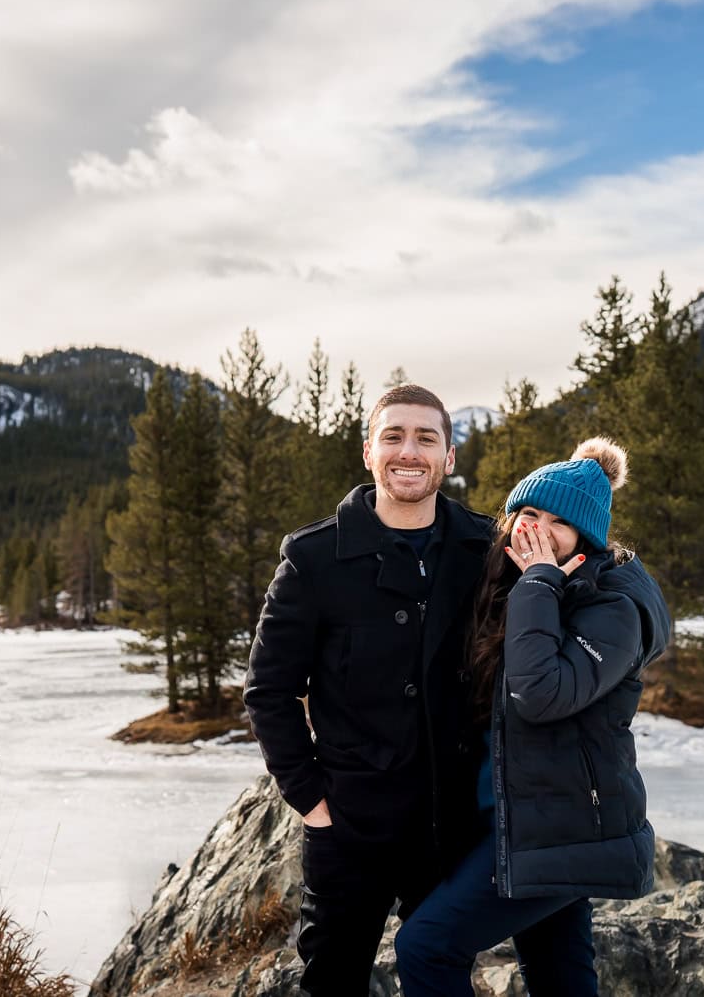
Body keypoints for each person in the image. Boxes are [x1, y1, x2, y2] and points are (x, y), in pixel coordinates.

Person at [393, 437, 672, 996]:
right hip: (514, 821)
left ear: (584, 540)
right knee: (559, 977)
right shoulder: (507, 584)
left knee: (425, 946)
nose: (537, 530)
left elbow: (541, 694)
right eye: (527, 514)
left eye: (557, 522)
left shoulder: (611, 608)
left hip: (563, 827)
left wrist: (541, 579)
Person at [243, 383, 495, 995]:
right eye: (394, 436)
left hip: (450, 821)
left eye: (425, 438)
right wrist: (311, 801)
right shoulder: (314, 558)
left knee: (440, 971)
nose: (409, 451)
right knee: (332, 980)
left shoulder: (486, 548)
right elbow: (268, 691)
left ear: (449, 457)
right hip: (350, 824)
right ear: (368, 452)